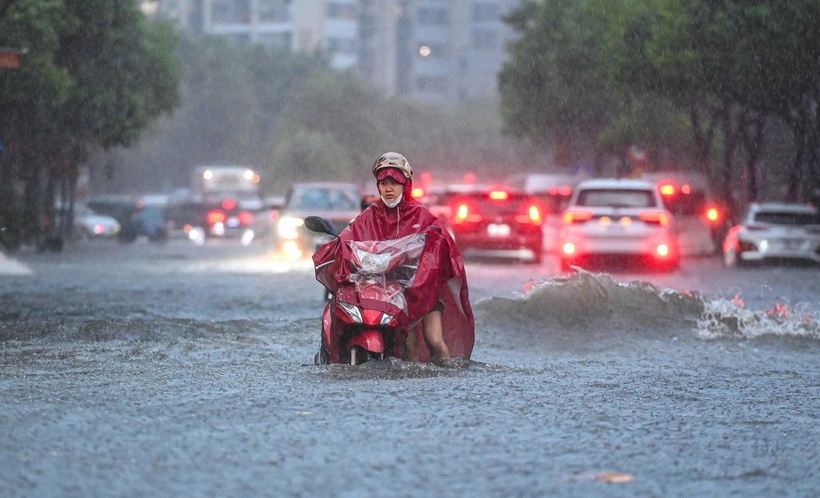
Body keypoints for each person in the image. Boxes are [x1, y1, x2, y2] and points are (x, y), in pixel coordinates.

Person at [312, 152, 474, 365]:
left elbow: (440, 245)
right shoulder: (369, 216)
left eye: (394, 183)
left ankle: (449, 379)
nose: (388, 189)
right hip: (387, 290)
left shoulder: (422, 216)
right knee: (408, 343)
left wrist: (424, 261)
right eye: (383, 183)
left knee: (434, 340)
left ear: (405, 184)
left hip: (422, 289)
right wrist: (336, 247)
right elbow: (349, 238)